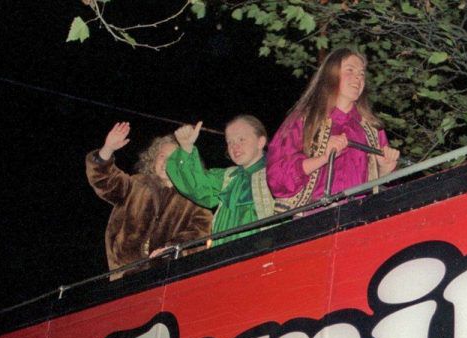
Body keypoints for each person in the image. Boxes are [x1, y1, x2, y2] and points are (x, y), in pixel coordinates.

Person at [266, 48, 401, 211]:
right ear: (331, 74)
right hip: (314, 221)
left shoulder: (372, 129)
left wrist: (385, 170)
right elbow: (276, 180)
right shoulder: (305, 120)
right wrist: (323, 157)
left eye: (362, 73)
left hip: (360, 219)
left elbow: (384, 194)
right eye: (350, 70)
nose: (358, 77)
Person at [86, 122, 212, 279]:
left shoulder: (194, 199)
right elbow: (104, 180)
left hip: (167, 277)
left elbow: (200, 233)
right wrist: (107, 149)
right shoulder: (136, 185)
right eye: (161, 156)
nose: (166, 162)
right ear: (152, 160)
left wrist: (172, 249)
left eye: (174, 158)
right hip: (123, 278)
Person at [166, 115, 275, 246]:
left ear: (260, 142)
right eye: (230, 142)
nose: (235, 146)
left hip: (261, 255)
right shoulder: (228, 177)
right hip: (224, 257)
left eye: (241, 139)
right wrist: (186, 147)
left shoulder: (277, 174)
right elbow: (196, 186)